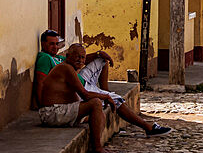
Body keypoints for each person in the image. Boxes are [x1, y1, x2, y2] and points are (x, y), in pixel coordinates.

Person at [34, 30, 171, 137]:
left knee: (102, 60)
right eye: (51, 44)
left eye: (56, 44)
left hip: (81, 81)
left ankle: (105, 90)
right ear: (43, 44)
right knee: (116, 100)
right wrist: (40, 105)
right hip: (78, 87)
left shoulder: (58, 58)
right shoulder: (44, 58)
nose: (54, 47)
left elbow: (79, 59)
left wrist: (98, 53)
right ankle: (148, 127)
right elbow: (41, 82)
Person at [38, 44, 120, 153]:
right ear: (68, 56)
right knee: (96, 103)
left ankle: (98, 145)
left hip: (59, 111)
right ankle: (97, 149)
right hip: (52, 113)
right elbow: (85, 95)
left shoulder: (70, 69)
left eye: (82, 58)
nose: (80, 61)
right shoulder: (66, 68)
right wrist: (105, 96)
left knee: (97, 113)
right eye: (77, 57)